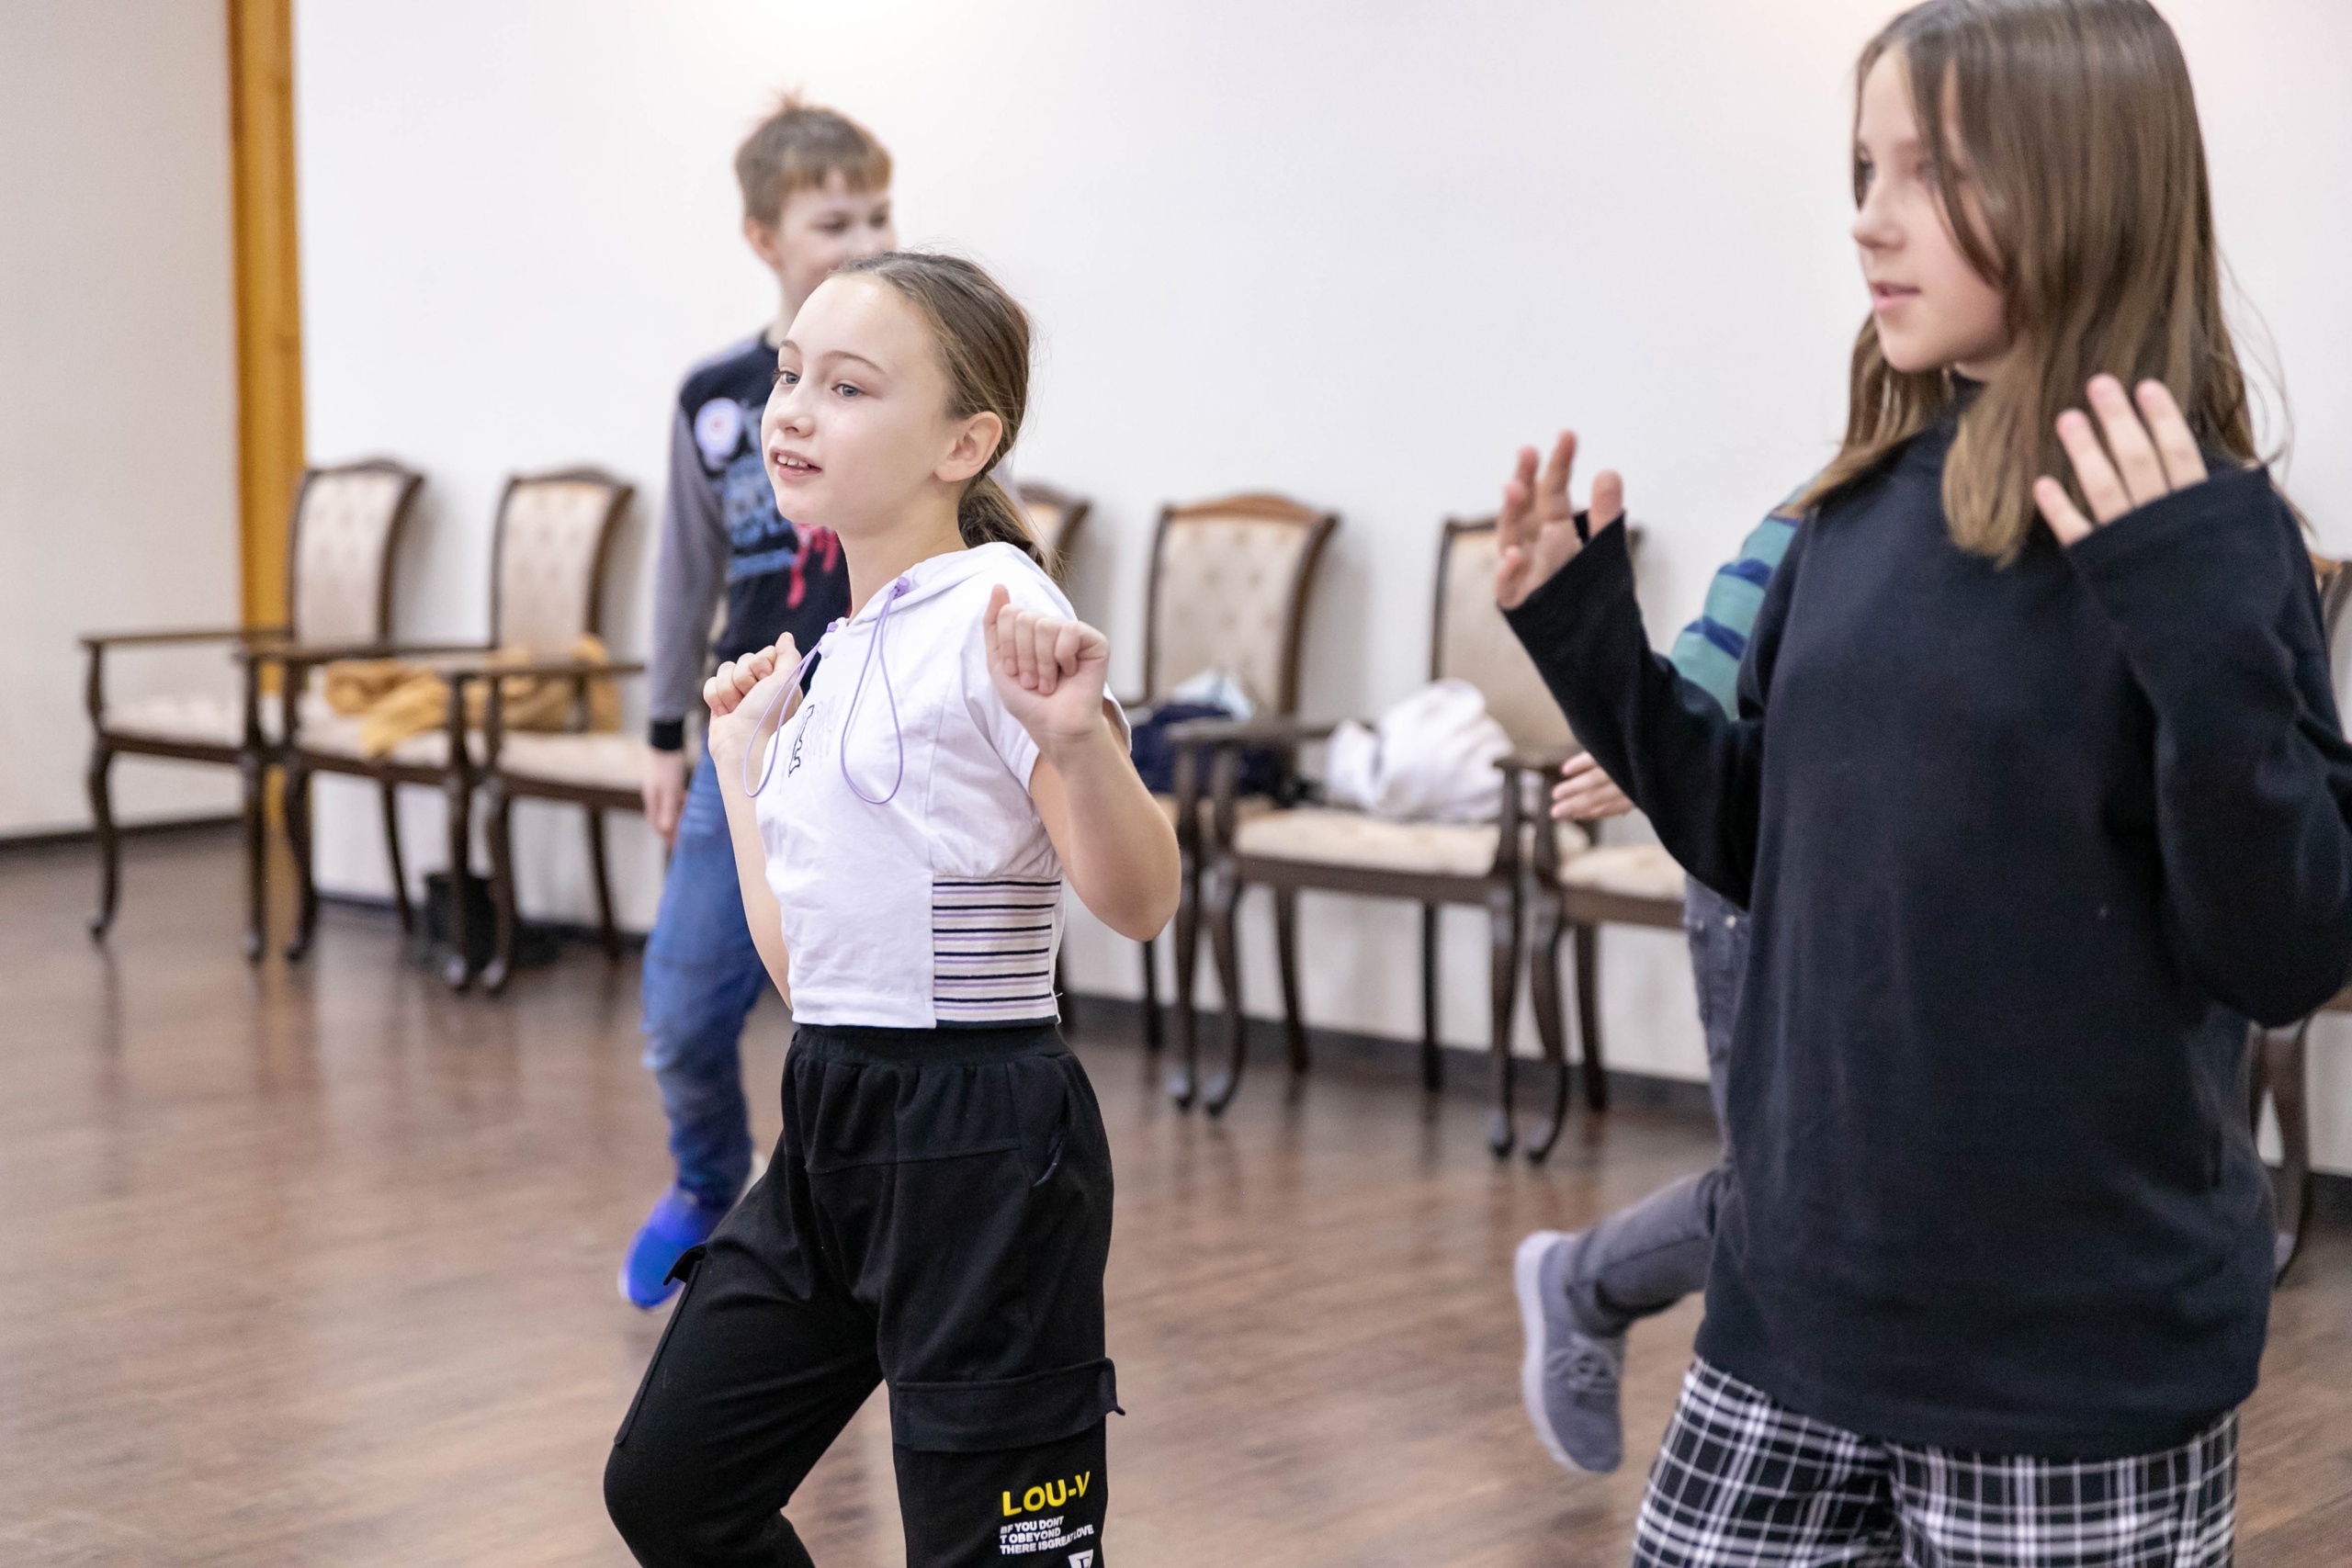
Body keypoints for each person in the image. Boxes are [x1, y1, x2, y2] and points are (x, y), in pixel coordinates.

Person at [1495, 2, 2352, 1563]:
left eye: (1933, 173)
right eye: (1863, 169)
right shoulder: (1854, 512)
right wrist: (1591, 642)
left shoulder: (2216, 538)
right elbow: (1757, 842)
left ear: (2086, 183)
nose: (1869, 219)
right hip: (1793, 1312)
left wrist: (2196, 634)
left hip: (2072, 1366)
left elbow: (2286, 947)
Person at [604, 251, 1180, 1567]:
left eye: (848, 387)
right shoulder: (840, 647)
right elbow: (812, 980)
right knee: (675, 1489)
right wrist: (743, 766)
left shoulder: (1000, 611)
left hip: (984, 1144)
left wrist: (1079, 744)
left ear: (962, 443)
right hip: (835, 1119)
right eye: (790, 375)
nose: (794, 411)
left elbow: (1141, 901)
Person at [623, 98, 896, 1309]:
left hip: (876, 744)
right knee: (682, 1015)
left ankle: (844, 1234)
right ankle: (704, 1183)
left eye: (880, 215)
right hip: (744, 739)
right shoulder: (716, 398)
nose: (866, 239)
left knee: (854, 1022)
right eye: (835, 222)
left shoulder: (918, 379)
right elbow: (681, 573)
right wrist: (662, 733)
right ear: (764, 237)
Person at [1513, 499, 1797, 1474]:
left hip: (1882, 894)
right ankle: (1584, 1281)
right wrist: (1649, 740)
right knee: (1781, 1194)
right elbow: (1700, 679)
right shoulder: (1836, 509)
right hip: (1757, 880)